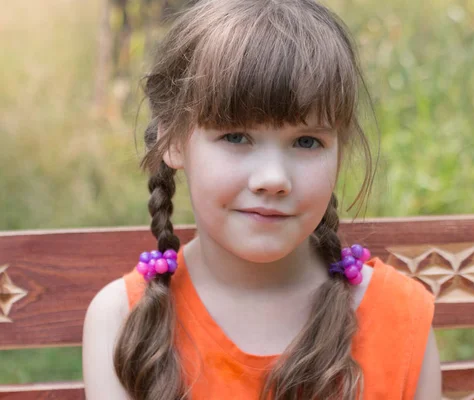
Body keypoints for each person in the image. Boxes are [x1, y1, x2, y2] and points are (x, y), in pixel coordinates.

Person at [82, 0, 441, 399]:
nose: (273, 178)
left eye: (307, 141)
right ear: (173, 140)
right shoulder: (121, 318)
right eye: (236, 137)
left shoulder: (400, 317)